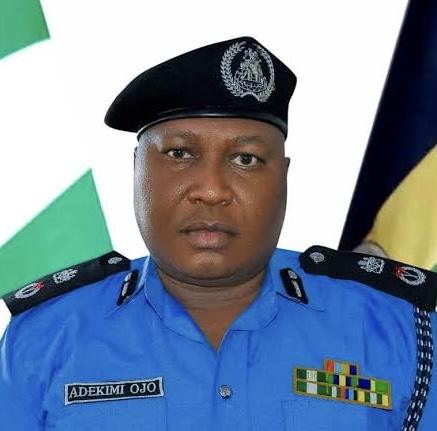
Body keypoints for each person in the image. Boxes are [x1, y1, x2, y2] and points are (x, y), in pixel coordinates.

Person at [0, 36, 436, 431]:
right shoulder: (45, 335)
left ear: (283, 177)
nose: (211, 190)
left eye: (246, 159)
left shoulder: (400, 328)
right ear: (137, 169)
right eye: (179, 153)